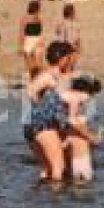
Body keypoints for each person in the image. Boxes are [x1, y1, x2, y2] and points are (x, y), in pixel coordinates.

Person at [23, 41, 77, 182]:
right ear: (62, 58)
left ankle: (42, 194)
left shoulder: (58, 76)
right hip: (42, 125)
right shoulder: (48, 76)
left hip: (36, 126)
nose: (71, 60)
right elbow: (30, 91)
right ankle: (56, 194)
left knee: (47, 169)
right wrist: (40, 107)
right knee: (58, 167)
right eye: (69, 57)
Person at [59, 74, 104, 182]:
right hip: (81, 158)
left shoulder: (67, 98)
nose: (91, 99)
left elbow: (70, 124)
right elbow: (73, 121)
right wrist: (92, 138)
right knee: (84, 183)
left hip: (74, 153)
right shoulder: (76, 98)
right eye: (92, 95)